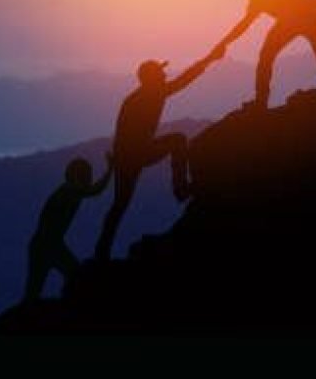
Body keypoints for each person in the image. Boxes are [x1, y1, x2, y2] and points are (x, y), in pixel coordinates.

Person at [94, 52, 222, 261]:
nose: (164, 75)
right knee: (178, 140)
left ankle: (101, 250)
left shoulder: (139, 97)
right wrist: (209, 60)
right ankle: (180, 189)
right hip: (135, 154)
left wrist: (118, 159)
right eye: (160, 73)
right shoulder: (152, 94)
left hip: (126, 157)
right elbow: (185, 79)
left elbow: (120, 132)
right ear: (151, 78)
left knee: (119, 205)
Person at [24, 156, 112, 301]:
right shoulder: (69, 191)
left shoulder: (70, 190)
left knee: (72, 277)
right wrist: (109, 171)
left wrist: (109, 171)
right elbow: (94, 190)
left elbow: (93, 190)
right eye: (86, 175)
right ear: (77, 176)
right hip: (44, 246)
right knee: (35, 290)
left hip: (51, 245)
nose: (88, 178)